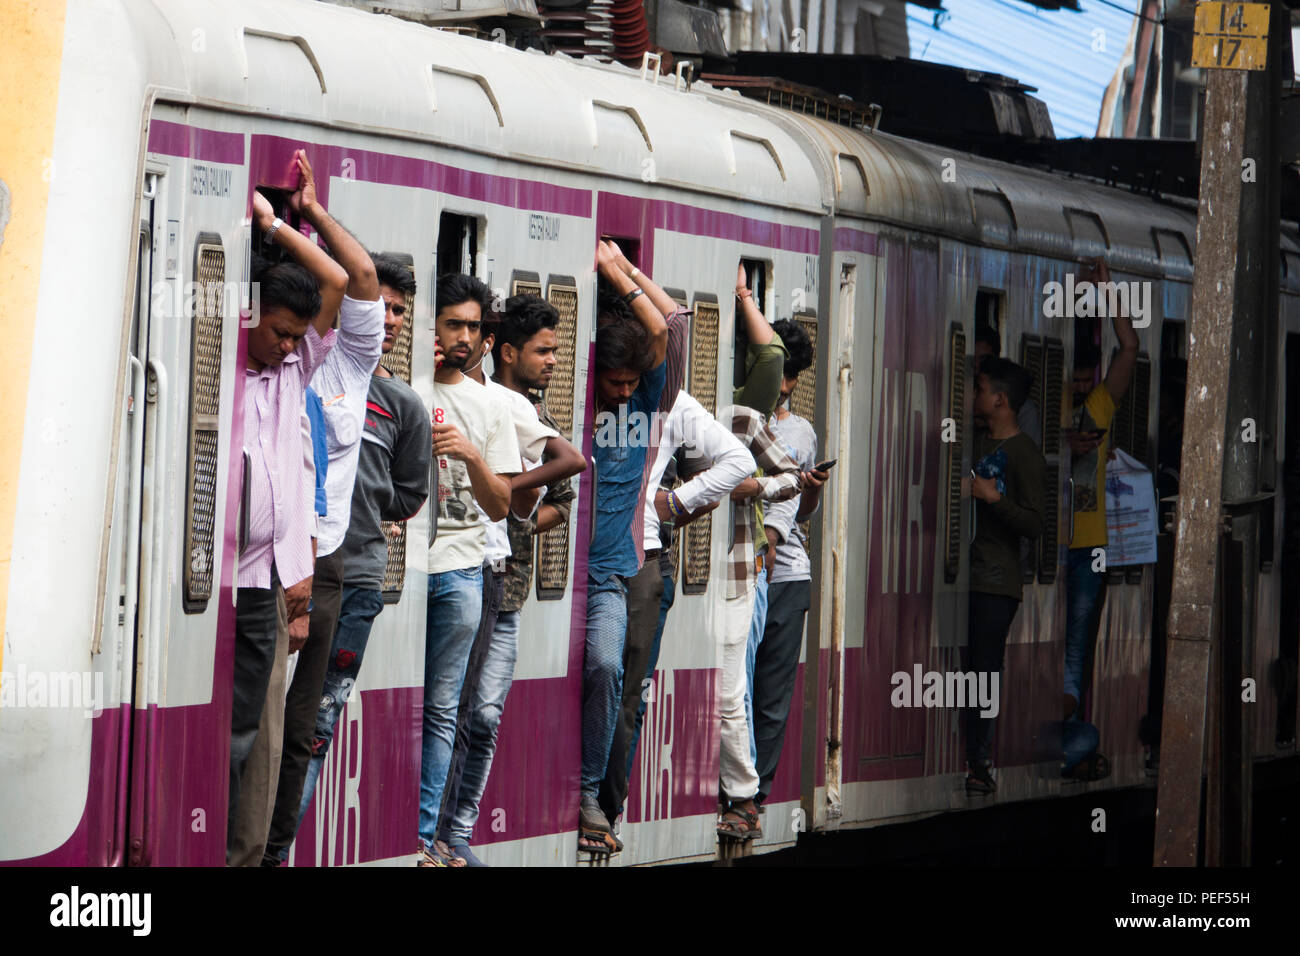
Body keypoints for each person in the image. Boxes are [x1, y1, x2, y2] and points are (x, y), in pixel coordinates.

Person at [261, 252, 409, 867]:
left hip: (335, 568)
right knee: (263, 716)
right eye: (383, 313)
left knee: (306, 726)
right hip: (273, 562)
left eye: (400, 313)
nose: (390, 323)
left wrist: (307, 213)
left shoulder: (372, 381)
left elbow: (407, 493)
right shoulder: (300, 365)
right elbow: (342, 281)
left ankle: (273, 852)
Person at [435, 295, 586, 866]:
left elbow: (563, 496)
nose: (552, 361)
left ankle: (459, 830)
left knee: (484, 713)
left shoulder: (526, 414)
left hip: (508, 580)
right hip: (474, 569)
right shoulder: (479, 400)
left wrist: (516, 503)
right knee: (460, 707)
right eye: (544, 351)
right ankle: (445, 833)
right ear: (505, 351)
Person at [230, 152, 346, 858]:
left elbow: (334, 280)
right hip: (224, 576)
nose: (286, 347)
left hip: (267, 578)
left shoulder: (295, 361)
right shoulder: (226, 359)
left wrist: (284, 222)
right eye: (276, 332)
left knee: (260, 734)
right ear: (249, 315)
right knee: (240, 728)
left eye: (296, 338)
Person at [596, 386, 756, 829]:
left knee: (630, 692)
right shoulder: (596, 393)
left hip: (647, 562)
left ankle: (608, 809)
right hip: (600, 562)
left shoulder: (670, 406)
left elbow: (724, 475)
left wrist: (672, 505)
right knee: (607, 678)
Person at [418, 274, 522, 866]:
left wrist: (472, 454)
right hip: (404, 573)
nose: (463, 337)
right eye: (452, 324)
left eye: (473, 328)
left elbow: (502, 504)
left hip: (459, 571)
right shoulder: (404, 382)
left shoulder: (491, 405)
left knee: (442, 709)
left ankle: (427, 837)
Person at [578, 240, 671, 854]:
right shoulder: (581, 398)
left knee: (610, 668)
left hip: (612, 571)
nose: (622, 391)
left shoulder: (641, 399)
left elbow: (664, 331)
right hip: (565, 570)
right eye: (614, 382)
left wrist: (619, 269)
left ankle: (590, 794)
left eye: (631, 383)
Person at [714, 404, 807, 839]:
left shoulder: (745, 421)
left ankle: (747, 796)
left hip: (746, 574)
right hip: (689, 572)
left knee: (741, 693)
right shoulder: (674, 416)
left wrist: (752, 487)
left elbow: (795, 484)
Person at [1062, 257, 1139, 779]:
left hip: (1088, 546)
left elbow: (1129, 347)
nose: (1086, 376)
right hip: (1069, 546)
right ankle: (1070, 742)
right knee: (1070, 650)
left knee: (1074, 650)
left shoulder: (1096, 404)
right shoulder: (1051, 412)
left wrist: (1108, 290)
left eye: (1089, 369)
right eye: (1080, 368)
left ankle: (1071, 741)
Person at [751, 319, 827, 805]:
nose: (778, 382)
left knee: (772, 697)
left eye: (786, 373)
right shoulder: (743, 417)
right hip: (751, 568)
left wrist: (806, 500)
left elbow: (796, 507)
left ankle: (755, 794)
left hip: (786, 574)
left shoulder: (798, 430)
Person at [965, 357, 1045, 794]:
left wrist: (996, 501)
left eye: (979, 389)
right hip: (967, 576)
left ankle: (980, 759)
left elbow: (1035, 524)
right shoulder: (974, 442)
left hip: (997, 582)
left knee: (984, 670)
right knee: (968, 667)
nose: (974, 396)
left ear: (999, 399)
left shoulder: (1026, 455)